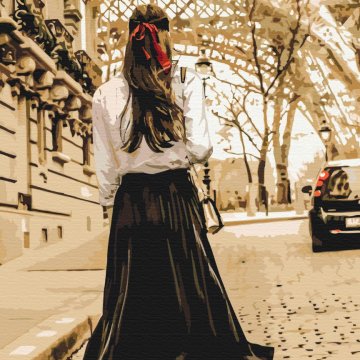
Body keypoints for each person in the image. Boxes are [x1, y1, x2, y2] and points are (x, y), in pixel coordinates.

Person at [83, 4, 274, 359]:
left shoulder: (105, 93)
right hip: (174, 195)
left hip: (131, 201)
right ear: (165, 34)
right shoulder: (185, 79)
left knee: (133, 290)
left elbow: (106, 165)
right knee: (190, 285)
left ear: (129, 37)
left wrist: (110, 202)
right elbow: (201, 148)